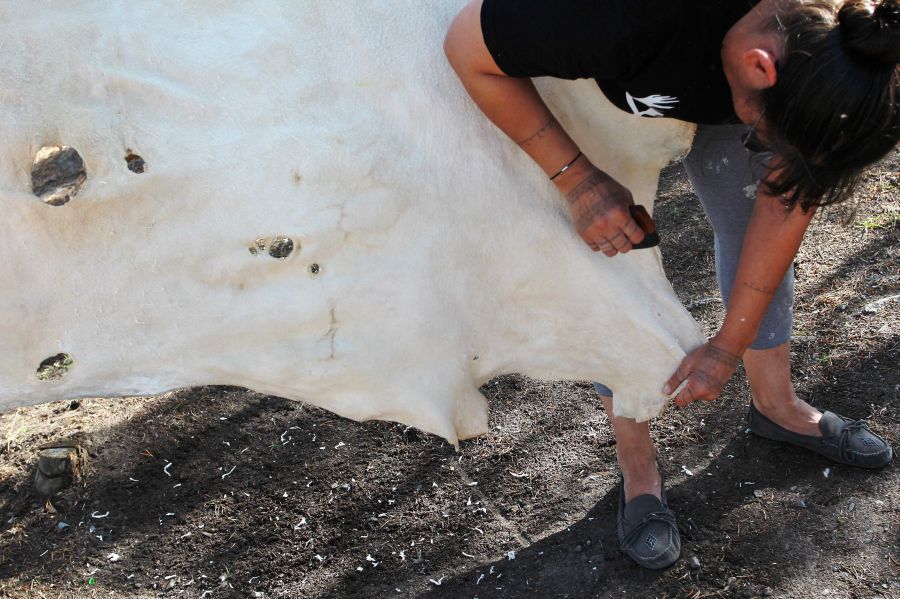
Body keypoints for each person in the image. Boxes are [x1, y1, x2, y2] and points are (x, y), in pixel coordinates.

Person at [444, 0, 899, 569]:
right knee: (611, 252)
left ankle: (775, 405)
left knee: (750, 218)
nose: (768, 154)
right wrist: (576, 178)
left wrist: (728, 347)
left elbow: (787, 197)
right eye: (767, 138)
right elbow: (468, 47)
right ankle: (636, 458)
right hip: (599, 81)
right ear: (761, 67)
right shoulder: (616, 18)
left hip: (719, 65)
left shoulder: (831, 49)